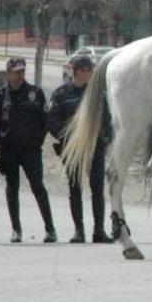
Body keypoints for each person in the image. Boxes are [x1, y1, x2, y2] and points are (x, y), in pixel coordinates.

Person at [47, 55, 113, 244]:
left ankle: (99, 230)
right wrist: (67, 138)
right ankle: (79, 231)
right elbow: (52, 120)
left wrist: (106, 138)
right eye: (88, 69)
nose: (91, 73)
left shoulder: (97, 94)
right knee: (75, 188)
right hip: (73, 149)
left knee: (97, 189)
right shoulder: (61, 94)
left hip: (95, 147)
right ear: (80, 71)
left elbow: (108, 119)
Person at [0, 57, 57, 244]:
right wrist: (1, 144)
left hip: (31, 150)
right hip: (9, 150)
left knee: (38, 187)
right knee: (12, 189)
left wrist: (38, 141)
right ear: (8, 74)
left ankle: (50, 229)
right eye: (16, 72)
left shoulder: (35, 94)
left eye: (22, 71)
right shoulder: (0, 97)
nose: (20, 75)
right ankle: (16, 230)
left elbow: (45, 121)